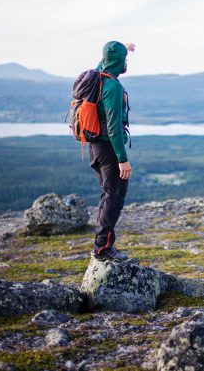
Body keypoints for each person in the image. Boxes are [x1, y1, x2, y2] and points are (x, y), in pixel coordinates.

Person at [90, 40, 135, 260]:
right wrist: (122, 159)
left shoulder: (97, 76)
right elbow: (115, 127)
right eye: (124, 59)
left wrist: (121, 47)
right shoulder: (113, 87)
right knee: (114, 196)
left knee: (108, 194)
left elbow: (104, 61)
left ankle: (102, 244)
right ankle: (103, 248)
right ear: (119, 62)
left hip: (95, 146)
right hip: (109, 147)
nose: (126, 62)